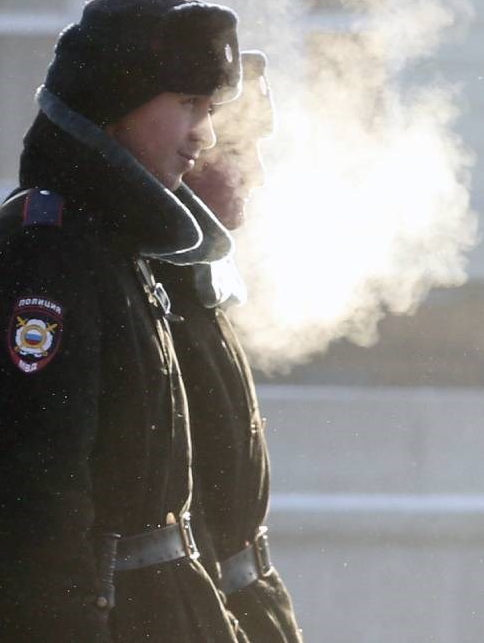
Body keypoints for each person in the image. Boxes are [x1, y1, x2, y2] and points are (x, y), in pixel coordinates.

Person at [0, 0, 252, 641]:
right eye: (189, 104)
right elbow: (31, 519)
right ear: (117, 107)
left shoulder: (112, 250)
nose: (206, 135)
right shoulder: (45, 256)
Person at [152, 51, 305, 642]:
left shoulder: (197, 284)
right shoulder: (155, 286)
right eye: (242, 151)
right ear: (191, 152)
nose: (259, 174)